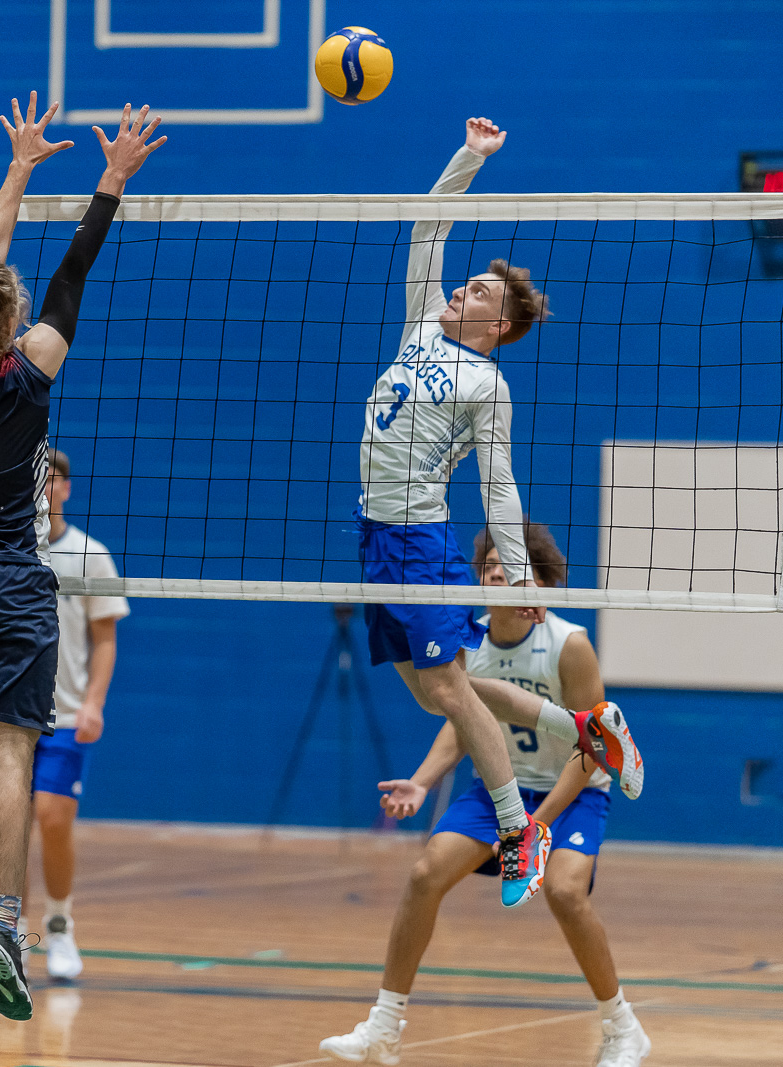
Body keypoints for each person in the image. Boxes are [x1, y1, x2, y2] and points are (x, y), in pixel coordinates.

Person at [0, 94, 163, 1019]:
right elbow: (73, 272)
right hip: (14, 579)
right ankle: (6, 930)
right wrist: (109, 178)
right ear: (10, 316)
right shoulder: (31, 369)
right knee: (11, 757)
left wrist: (18, 168)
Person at [356, 117, 644, 909]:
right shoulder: (422, 323)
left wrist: (513, 563)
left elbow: (502, 484)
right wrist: (470, 158)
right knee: (437, 690)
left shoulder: (488, 384)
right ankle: (586, 728)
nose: (461, 288)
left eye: (478, 290)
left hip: (417, 536)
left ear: (500, 326)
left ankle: (518, 831)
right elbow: (428, 223)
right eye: (467, 281)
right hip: (376, 535)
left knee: (453, 690)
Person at [321, 521, 651, 1067]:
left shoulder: (569, 645)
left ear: (538, 582)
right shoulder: (463, 642)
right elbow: (460, 723)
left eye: (512, 565)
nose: (497, 571)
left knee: (565, 892)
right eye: (490, 563)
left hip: (570, 790)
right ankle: (384, 1027)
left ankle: (622, 1028)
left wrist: (536, 826)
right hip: (499, 788)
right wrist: (422, 781)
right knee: (426, 874)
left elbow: (591, 749)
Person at [32, 448, 129, 980]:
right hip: (9, 716)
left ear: (66, 488)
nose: (45, 488)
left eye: (52, 479)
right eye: (35, 479)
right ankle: (11, 934)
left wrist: (94, 703)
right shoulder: (6, 549)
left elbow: (106, 638)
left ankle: (60, 925)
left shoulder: (93, 555)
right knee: (5, 825)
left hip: (66, 715)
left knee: (52, 819)